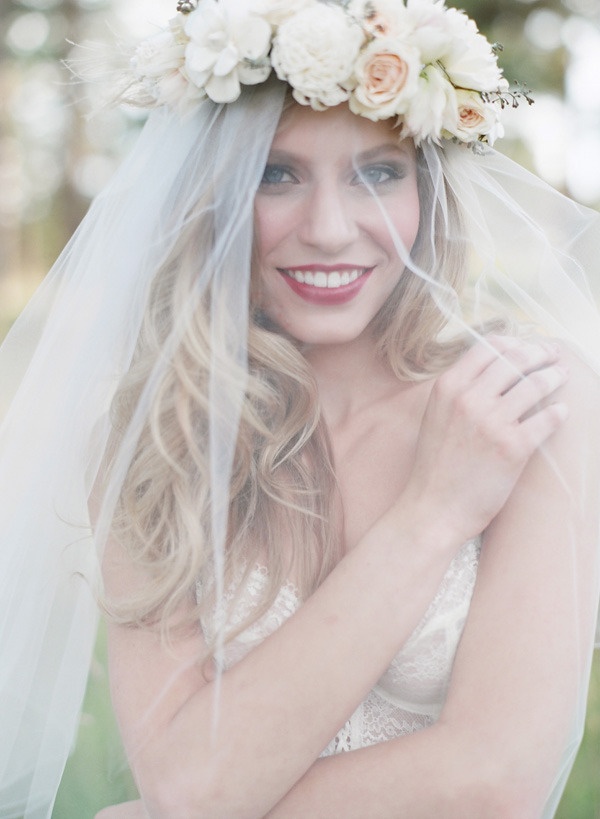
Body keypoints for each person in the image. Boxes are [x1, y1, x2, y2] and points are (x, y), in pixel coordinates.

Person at [1, 1, 599, 817]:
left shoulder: (527, 400)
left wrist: (201, 801)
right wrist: (434, 511)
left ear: (427, 188)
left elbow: (494, 780)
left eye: (379, 172)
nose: (329, 229)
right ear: (209, 196)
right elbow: (180, 788)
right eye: (277, 174)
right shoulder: (156, 441)